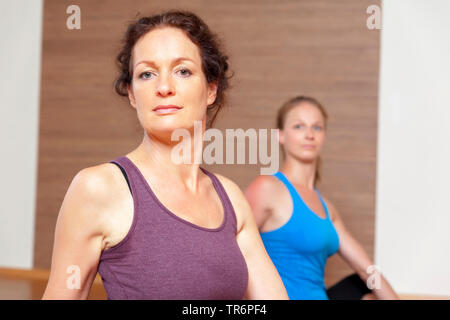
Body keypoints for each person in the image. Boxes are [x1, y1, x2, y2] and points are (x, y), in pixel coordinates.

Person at [42, 10, 288, 300]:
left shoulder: (230, 198)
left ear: (211, 88)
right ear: (133, 95)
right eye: (146, 74)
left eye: (182, 71)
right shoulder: (98, 188)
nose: (163, 87)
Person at [245, 96, 399, 300]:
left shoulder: (327, 209)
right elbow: (230, 256)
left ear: (323, 135)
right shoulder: (266, 188)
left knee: (367, 284)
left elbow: (367, 270)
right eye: (299, 126)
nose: (309, 134)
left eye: (316, 127)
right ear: (280, 136)